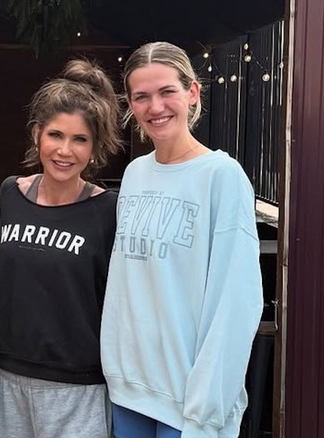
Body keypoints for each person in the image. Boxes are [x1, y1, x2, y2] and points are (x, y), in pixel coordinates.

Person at [100, 41, 264, 438]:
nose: (155, 107)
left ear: (192, 92)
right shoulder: (135, 174)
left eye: (166, 91)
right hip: (129, 390)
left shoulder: (222, 177)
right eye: (141, 96)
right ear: (130, 104)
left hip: (190, 403)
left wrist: (206, 408)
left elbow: (236, 301)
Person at [0, 59, 123, 438]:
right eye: (55, 135)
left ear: (95, 147)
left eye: (80, 139)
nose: (65, 150)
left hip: (78, 387)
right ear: (37, 135)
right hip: (9, 378)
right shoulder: (10, 193)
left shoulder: (108, 210)